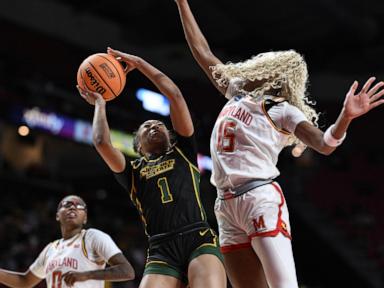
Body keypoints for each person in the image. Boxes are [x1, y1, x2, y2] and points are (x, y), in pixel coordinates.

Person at [173, 0, 384, 287]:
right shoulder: (235, 92)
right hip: (225, 203)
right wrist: (182, 4)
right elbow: (202, 51)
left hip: (259, 199)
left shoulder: (282, 110)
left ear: (275, 73)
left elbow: (324, 144)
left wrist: (346, 116)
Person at [77, 47, 226, 288]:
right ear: (138, 145)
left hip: (198, 237)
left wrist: (140, 62)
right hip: (161, 248)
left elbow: (175, 96)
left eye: (159, 124)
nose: (155, 125)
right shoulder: (133, 171)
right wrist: (99, 104)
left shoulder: (183, 151)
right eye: (147, 126)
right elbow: (101, 142)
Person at [0, 195, 135, 288]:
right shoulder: (50, 249)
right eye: (67, 204)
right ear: (58, 215)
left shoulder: (92, 237)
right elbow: (24, 282)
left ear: (85, 218)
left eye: (79, 206)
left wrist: (86, 275)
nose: (73, 207)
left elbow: (127, 271)